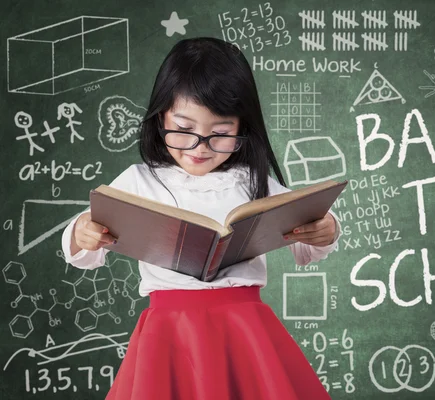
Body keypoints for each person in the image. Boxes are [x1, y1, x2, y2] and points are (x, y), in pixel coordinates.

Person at [61, 37, 340, 400]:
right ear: (161, 116)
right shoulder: (139, 181)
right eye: (184, 128)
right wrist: (82, 232)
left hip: (243, 328)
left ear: (243, 127)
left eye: (220, 134)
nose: (200, 146)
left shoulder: (253, 181)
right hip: (168, 332)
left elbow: (306, 232)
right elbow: (85, 245)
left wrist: (326, 229)